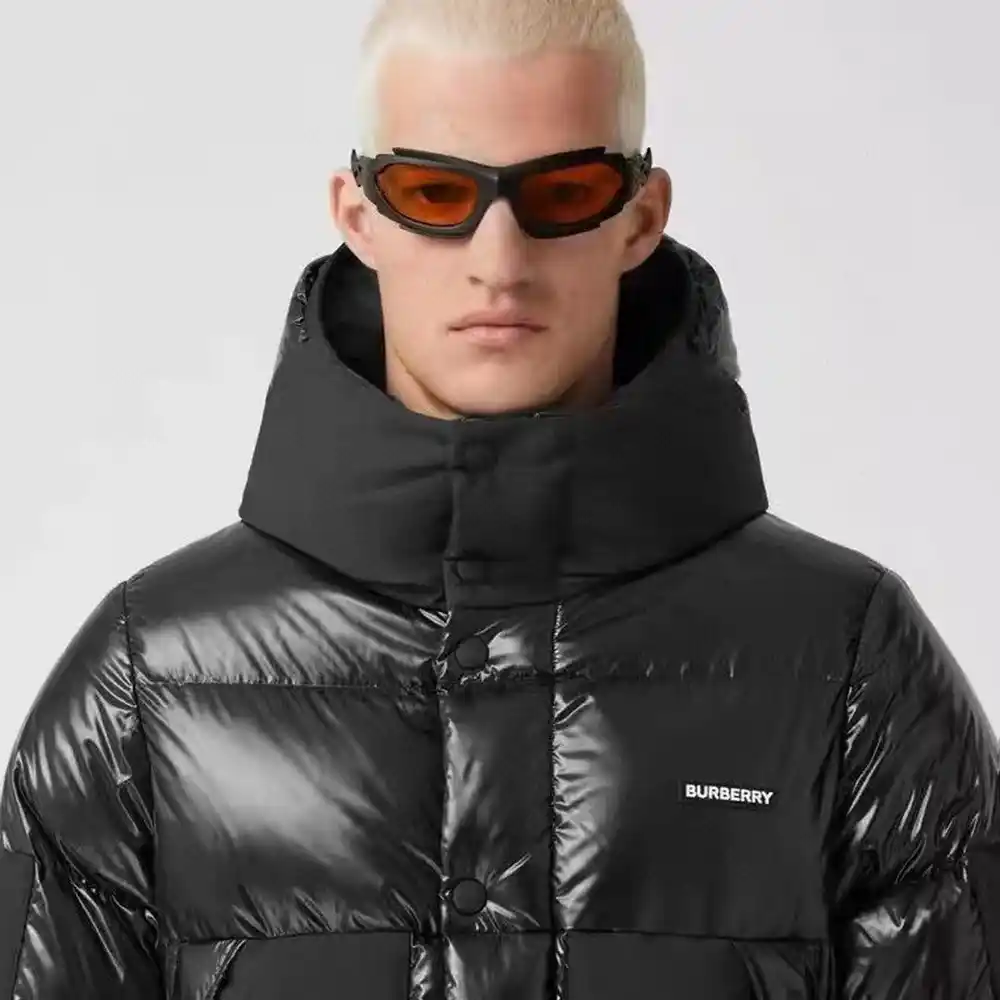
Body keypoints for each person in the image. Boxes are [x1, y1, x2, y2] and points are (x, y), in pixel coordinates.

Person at [1, 0, 997, 996]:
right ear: (358, 215)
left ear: (641, 216)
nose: (499, 260)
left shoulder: (847, 664)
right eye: (435, 192)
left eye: (564, 192)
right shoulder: (150, 679)